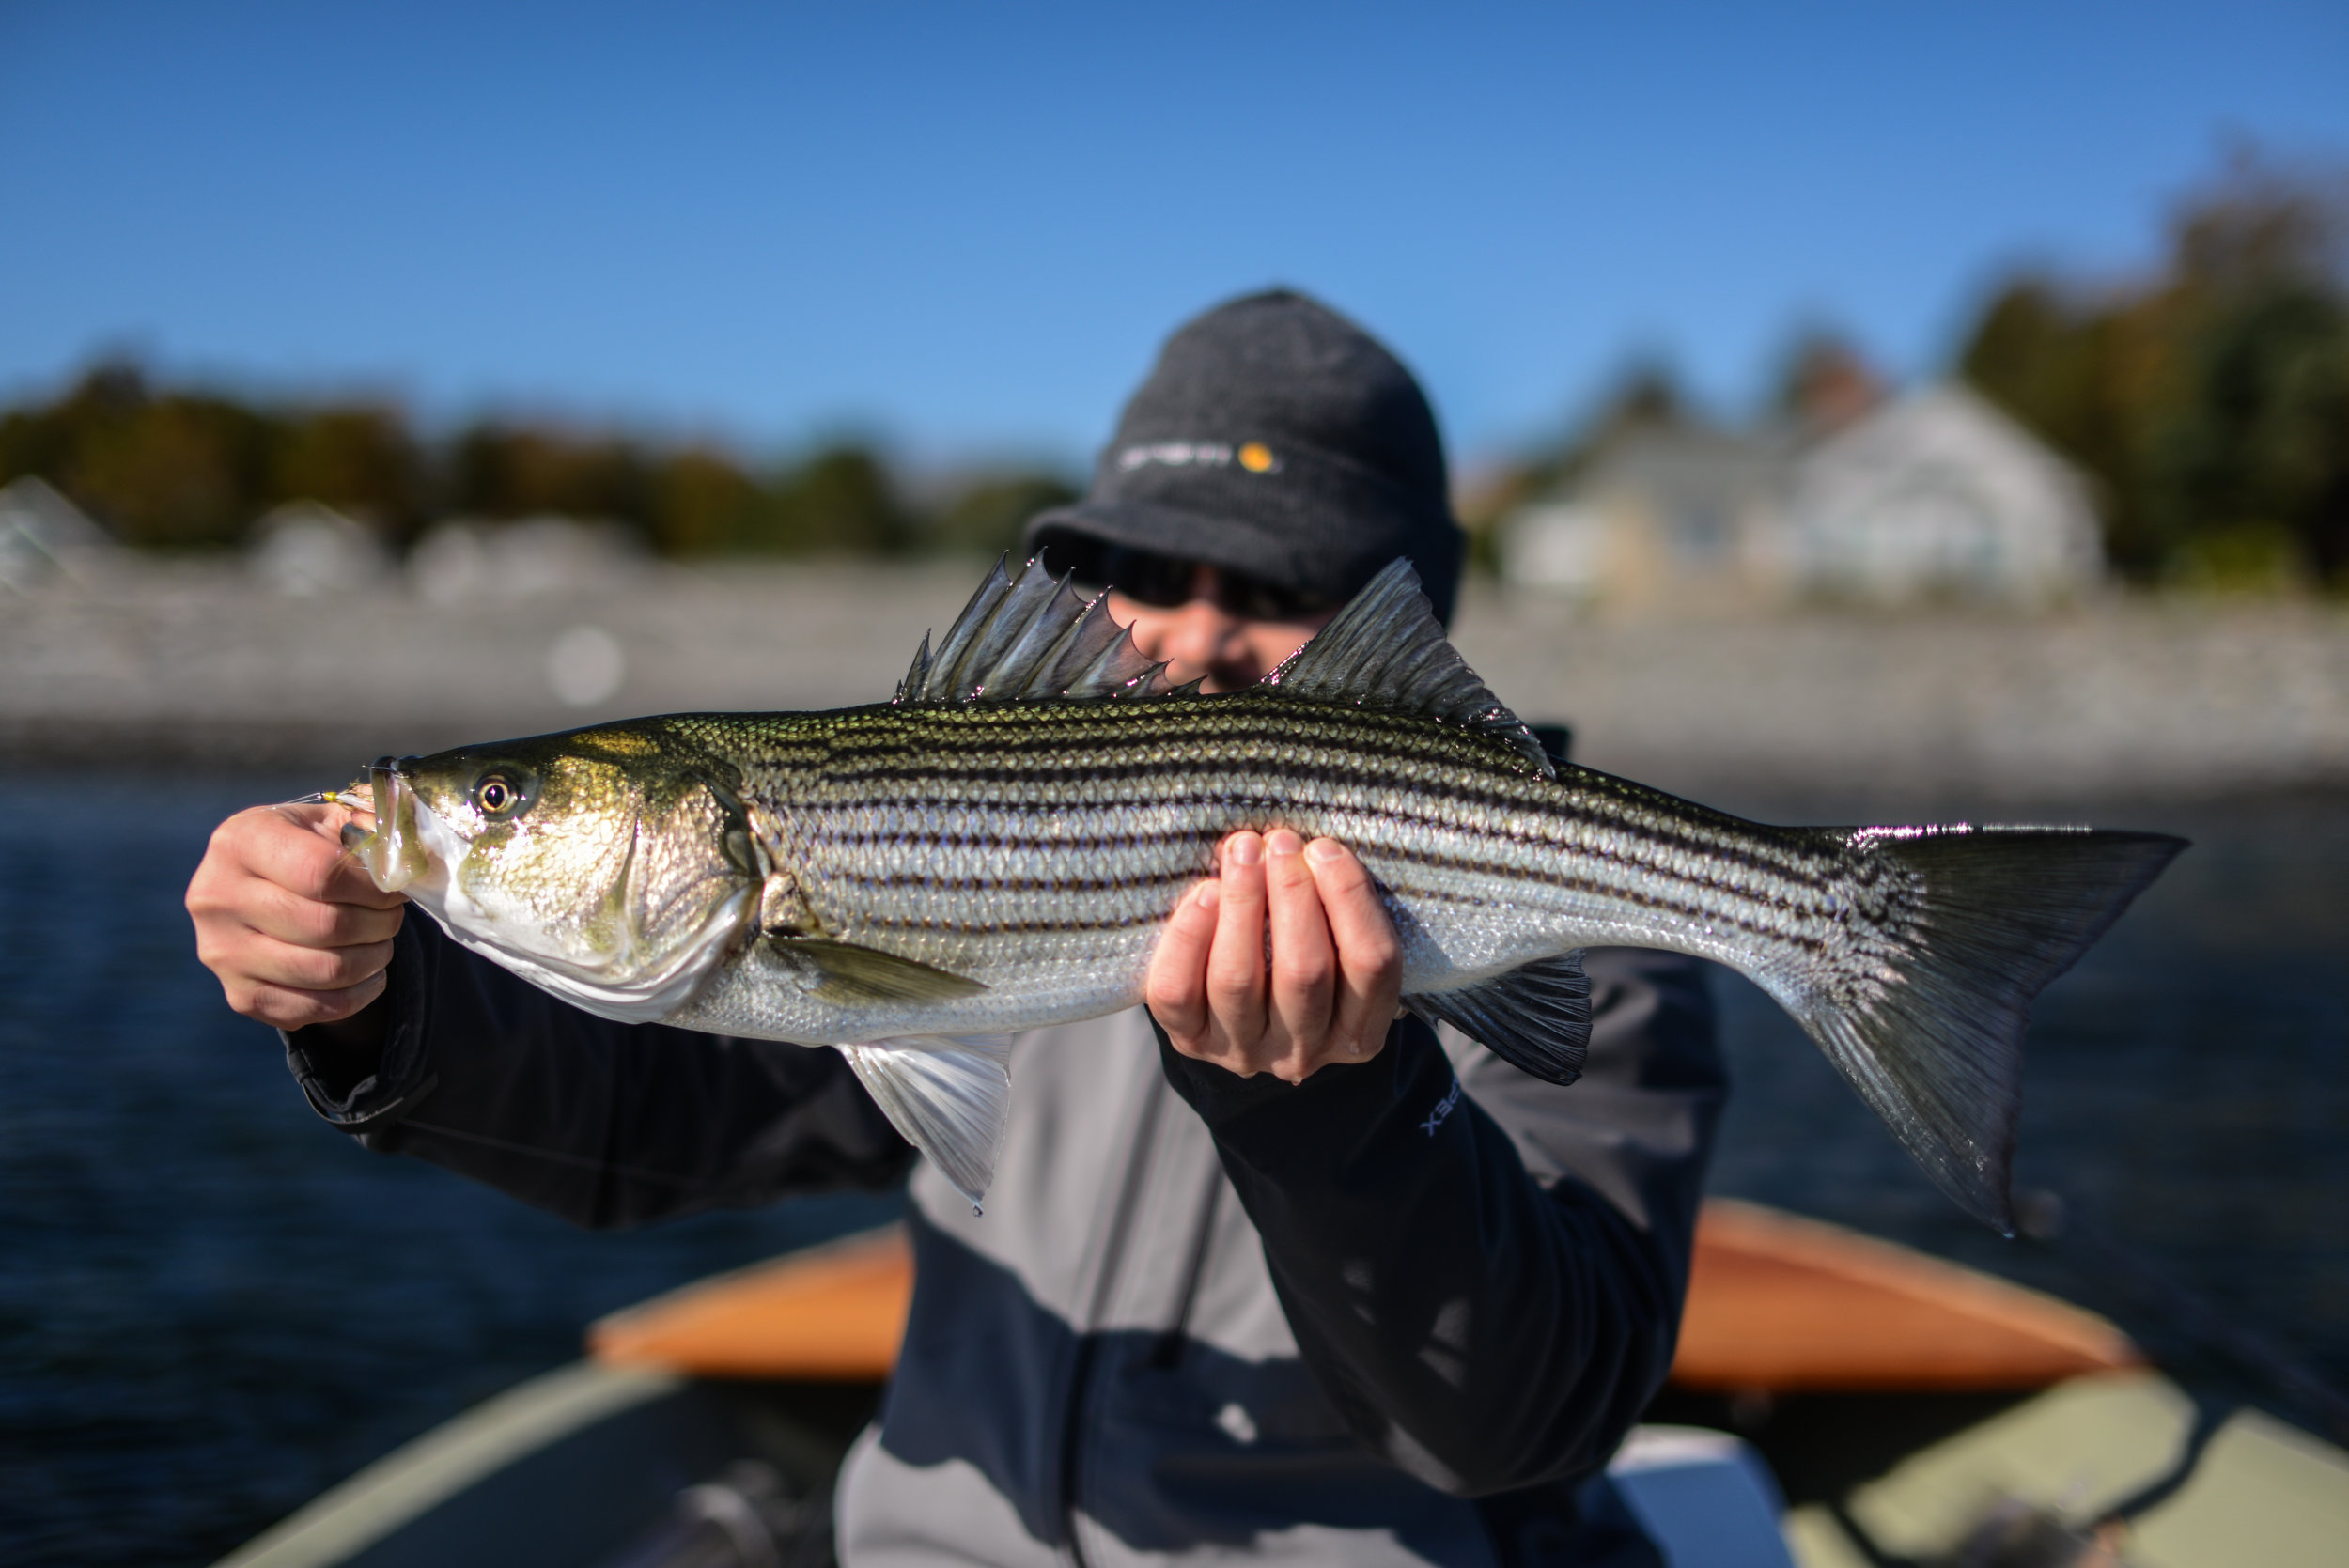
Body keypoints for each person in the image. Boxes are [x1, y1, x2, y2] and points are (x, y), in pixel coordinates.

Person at [186, 291, 1725, 1567]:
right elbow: (644, 1122)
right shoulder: (948, 856)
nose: (1192, 631)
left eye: (1276, 583)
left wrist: (1346, 1104)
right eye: (1142, 569)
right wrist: (379, 1009)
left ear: (1412, 628)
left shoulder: (1585, 921)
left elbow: (1528, 1418)